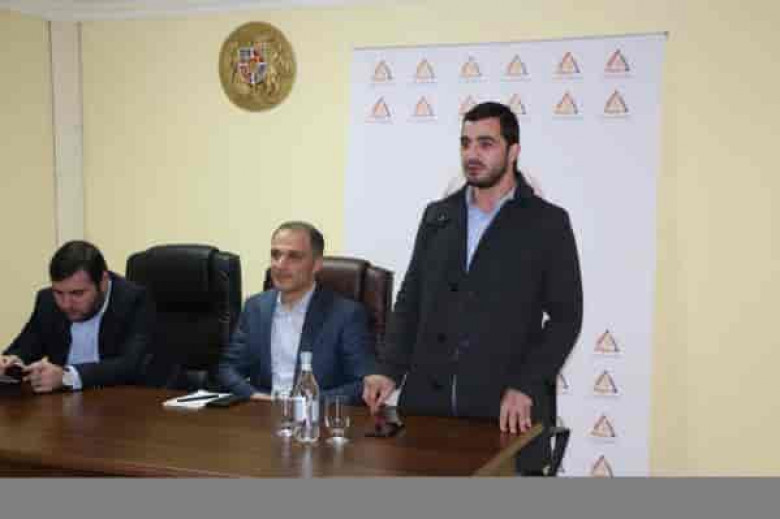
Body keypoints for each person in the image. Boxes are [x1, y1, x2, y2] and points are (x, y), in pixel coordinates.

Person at [363, 101, 583, 474]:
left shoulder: (547, 223)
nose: (472, 154)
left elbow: (566, 318)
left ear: (513, 151)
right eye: (465, 143)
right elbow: (411, 300)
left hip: (504, 412)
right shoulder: (438, 216)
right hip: (428, 410)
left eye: (486, 144)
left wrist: (527, 384)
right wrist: (388, 368)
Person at [216, 221, 375, 404]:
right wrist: (253, 395)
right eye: (275, 255)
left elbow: (363, 384)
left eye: (294, 257)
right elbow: (228, 368)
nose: (280, 265)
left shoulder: (346, 314)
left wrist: (303, 404)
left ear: (316, 265)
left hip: (316, 414)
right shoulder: (255, 307)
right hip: (262, 410)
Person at [0, 240, 153, 392]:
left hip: (118, 400)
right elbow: (25, 346)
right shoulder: (47, 301)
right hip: (62, 402)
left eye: (77, 293)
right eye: (58, 293)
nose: (66, 304)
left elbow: (130, 365)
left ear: (103, 282)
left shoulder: (134, 300)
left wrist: (67, 377)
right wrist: (12, 362)